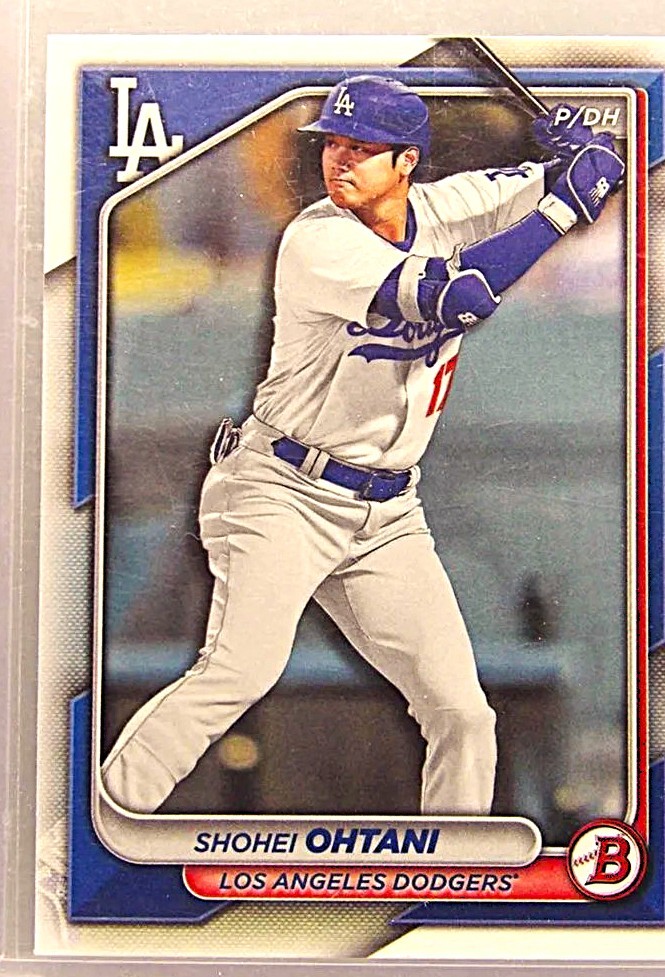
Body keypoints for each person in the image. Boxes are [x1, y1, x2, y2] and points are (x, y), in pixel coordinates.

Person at [101, 75, 623, 816]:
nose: (340, 159)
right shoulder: (316, 240)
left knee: (462, 713)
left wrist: (585, 159)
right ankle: (91, 832)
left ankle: (452, 869)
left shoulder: (450, 205)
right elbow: (459, 295)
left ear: (407, 162)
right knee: (238, 673)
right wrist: (568, 202)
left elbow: (567, 181)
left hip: (386, 514)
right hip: (280, 491)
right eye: (333, 144)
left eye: (363, 147)